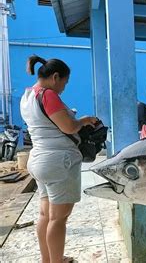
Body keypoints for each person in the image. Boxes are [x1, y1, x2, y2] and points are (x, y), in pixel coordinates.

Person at [20, 55, 97, 263]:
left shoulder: (27, 95)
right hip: (57, 162)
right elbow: (69, 128)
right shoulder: (48, 95)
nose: (63, 87)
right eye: (64, 82)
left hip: (38, 159)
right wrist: (84, 120)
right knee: (58, 218)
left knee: (45, 215)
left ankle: (48, 259)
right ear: (55, 77)